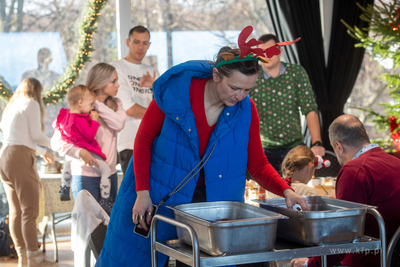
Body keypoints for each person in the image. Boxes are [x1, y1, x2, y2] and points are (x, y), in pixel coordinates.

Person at [95, 30, 310, 266]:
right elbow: (144, 140)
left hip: (210, 205)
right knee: (137, 256)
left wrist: (286, 190)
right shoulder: (174, 94)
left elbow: (257, 164)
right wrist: (142, 192)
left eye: (248, 90)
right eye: (235, 88)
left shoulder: (246, 109)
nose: (241, 96)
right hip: (156, 192)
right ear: (217, 75)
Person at [291, 115, 400, 267]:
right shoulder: (396, 162)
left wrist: (311, 263)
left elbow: (341, 235)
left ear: (339, 146)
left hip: (366, 259)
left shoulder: (353, 170)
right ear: (365, 136)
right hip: (394, 255)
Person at [51, 63, 126, 214]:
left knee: (107, 226)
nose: (117, 85)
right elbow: (55, 143)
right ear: (100, 82)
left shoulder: (115, 104)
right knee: (88, 229)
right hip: (84, 176)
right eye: (113, 81)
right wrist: (80, 153)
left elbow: (118, 124)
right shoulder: (80, 107)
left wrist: (96, 104)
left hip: (109, 175)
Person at [0, 78, 57, 267]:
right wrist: (57, 143)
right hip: (20, 158)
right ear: (37, 91)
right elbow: (36, 136)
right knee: (29, 211)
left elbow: (21, 138)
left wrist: (42, 152)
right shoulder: (31, 103)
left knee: (15, 210)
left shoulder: (13, 105)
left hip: (5, 157)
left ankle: (23, 257)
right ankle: (35, 257)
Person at [249, 34, 325, 174]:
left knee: (298, 190)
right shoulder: (252, 76)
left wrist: (317, 143)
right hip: (263, 149)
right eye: (262, 52)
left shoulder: (296, 73)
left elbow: (310, 109)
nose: (267, 55)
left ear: (280, 50)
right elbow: (243, 113)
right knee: (265, 193)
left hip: (295, 148)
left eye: (271, 50)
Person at [110, 25, 159, 175]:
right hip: (130, 142)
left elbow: (163, 105)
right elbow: (129, 109)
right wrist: (156, 116)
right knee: (135, 194)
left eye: (145, 43)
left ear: (149, 45)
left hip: (154, 142)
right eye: (136, 42)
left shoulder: (153, 71)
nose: (141, 47)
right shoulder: (116, 68)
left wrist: (152, 88)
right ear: (127, 42)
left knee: (154, 193)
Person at [53, 85, 112, 209]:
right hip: (87, 154)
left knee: (67, 164)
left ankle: (64, 187)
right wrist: (94, 120)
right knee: (106, 170)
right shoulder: (80, 119)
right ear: (80, 102)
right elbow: (90, 135)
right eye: (91, 104)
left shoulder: (64, 116)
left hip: (72, 155)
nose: (92, 107)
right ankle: (105, 199)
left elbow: (57, 128)